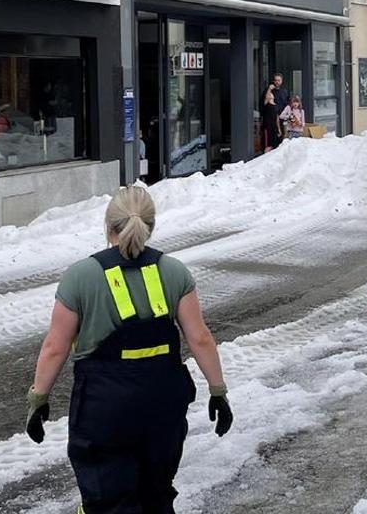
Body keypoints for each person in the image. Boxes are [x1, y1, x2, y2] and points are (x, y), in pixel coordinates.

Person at [24, 186, 233, 513]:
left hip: (104, 408)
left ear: (109, 227)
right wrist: (218, 391)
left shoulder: (81, 277)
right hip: (163, 406)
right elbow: (200, 338)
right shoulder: (174, 272)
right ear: (150, 226)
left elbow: (55, 347)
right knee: (156, 494)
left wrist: (39, 399)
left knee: (108, 499)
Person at [262, 73, 289, 152]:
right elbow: (264, 102)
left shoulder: (284, 91)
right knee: (271, 139)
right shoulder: (269, 91)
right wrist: (269, 89)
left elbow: (287, 104)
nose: (277, 82)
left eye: (279, 80)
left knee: (281, 138)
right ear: (273, 81)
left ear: (282, 81)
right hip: (271, 119)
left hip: (282, 118)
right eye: (276, 80)